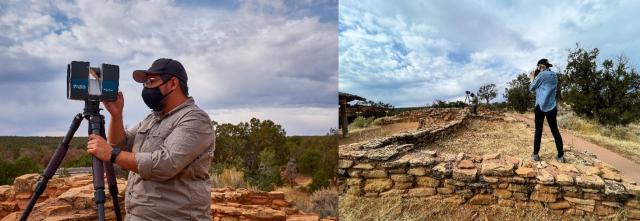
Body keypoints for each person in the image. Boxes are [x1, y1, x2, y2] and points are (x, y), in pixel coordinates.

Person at [86, 58, 215, 220]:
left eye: (151, 81)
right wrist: (116, 115)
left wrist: (112, 154)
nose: (146, 87)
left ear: (173, 83)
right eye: (145, 83)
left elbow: (165, 164)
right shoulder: (152, 119)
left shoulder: (195, 119)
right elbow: (120, 145)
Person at [529, 58, 564, 163]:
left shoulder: (541, 75)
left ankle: (535, 154)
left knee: (538, 130)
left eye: (539, 67)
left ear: (541, 66)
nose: (538, 69)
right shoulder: (554, 75)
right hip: (552, 106)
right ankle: (561, 156)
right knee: (555, 130)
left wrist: (532, 77)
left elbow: (531, 88)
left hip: (540, 106)